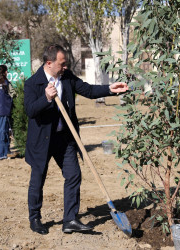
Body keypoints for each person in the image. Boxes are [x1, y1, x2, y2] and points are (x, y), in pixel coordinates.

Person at [24, 44, 128, 235]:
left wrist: (110, 89)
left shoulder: (67, 77)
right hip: (41, 142)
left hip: (64, 139)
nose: (65, 67)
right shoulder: (33, 83)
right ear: (49, 63)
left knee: (73, 175)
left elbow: (88, 90)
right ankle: (35, 219)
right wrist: (46, 98)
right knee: (38, 180)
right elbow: (30, 110)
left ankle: (70, 219)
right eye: (62, 64)